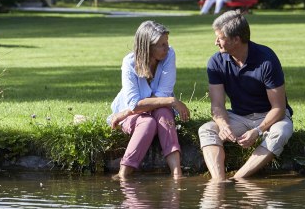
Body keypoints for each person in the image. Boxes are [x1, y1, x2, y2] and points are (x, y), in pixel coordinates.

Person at [198, 10, 293, 181]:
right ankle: (219, 181)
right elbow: (217, 106)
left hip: (270, 117)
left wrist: (257, 131)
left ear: (236, 39)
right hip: (239, 116)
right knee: (206, 130)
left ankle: (237, 179)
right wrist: (224, 125)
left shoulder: (267, 59)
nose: (215, 42)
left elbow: (279, 108)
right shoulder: (216, 61)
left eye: (220, 38)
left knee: (282, 131)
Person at [108, 21, 190, 179]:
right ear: (147, 47)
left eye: (167, 43)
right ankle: (123, 173)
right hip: (135, 113)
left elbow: (163, 94)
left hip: (149, 109)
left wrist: (168, 100)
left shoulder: (169, 55)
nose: (167, 48)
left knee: (164, 113)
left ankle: (176, 173)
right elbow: (135, 103)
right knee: (148, 123)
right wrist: (172, 100)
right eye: (161, 45)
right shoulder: (129, 63)